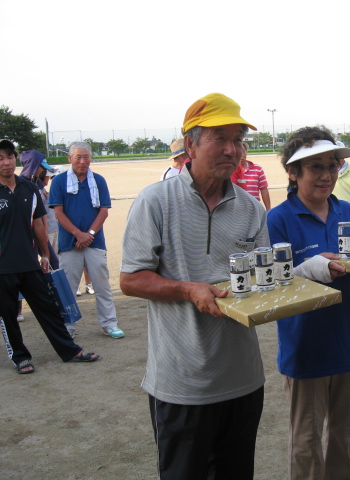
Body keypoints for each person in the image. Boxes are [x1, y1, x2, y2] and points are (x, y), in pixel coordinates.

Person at [120, 92, 269, 480]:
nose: (232, 149)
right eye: (220, 138)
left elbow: (262, 276)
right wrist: (189, 289)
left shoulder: (252, 209)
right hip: (182, 384)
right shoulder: (155, 202)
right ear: (190, 144)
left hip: (242, 379)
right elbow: (131, 279)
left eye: (238, 140)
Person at [267, 126, 350, 480]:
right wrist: (317, 268)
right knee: (306, 442)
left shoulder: (347, 212)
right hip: (306, 349)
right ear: (293, 173)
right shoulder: (277, 219)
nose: (327, 175)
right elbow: (277, 285)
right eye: (316, 167)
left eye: (332, 165)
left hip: (349, 343)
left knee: (345, 437)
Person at [0, 139, 100, 374]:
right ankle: (21, 357)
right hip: (3, 267)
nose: (5, 162)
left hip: (29, 262)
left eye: (9, 157)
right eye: (0, 158)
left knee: (48, 309)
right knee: (8, 316)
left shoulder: (28, 188)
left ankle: (69, 350)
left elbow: (38, 223)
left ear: (15, 159)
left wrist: (46, 254)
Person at [49, 141, 123, 339]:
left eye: (86, 157)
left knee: (102, 285)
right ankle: (68, 327)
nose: (82, 161)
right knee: (69, 288)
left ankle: (109, 323)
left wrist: (89, 234)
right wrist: (78, 234)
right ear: (70, 158)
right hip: (69, 243)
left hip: (94, 242)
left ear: (91, 158)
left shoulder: (98, 181)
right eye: (78, 157)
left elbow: (104, 211)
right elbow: (58, 213)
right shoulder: (59, 182)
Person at [231, 142, 271, 210]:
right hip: (236, 209)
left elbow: (264, 190)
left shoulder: (257, 169)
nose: (241, 155)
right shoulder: (230, 170)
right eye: (238, 152)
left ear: (246, 153)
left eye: (243, 152)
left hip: (254, 208)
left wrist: (268, 210)